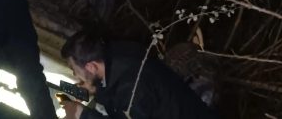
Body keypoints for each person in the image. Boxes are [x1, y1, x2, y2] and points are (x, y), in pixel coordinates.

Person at [58, 30, 219, 119]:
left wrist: (81, 114)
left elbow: (126, 101)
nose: (74, 74)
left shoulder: (133, 89)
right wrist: (96, 90)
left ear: (91, 66)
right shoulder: (119, 57)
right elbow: (115, 93)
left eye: (74, 69)